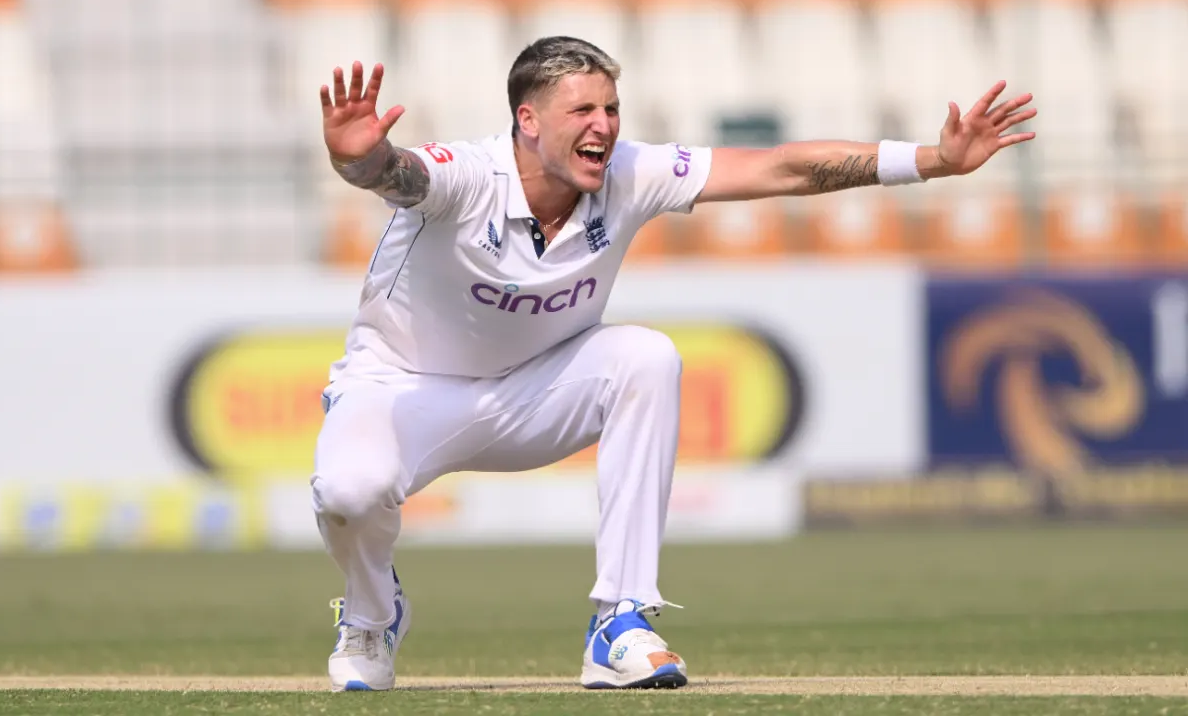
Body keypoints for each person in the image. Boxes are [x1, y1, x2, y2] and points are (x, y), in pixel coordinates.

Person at [311, 36, 1036, 692]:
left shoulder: (632, 171)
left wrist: (933, 160)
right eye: (582, 110)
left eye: (612, 107)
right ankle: (373, 618)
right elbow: (397, 174)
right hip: (401, 391)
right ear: (527, 121)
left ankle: (618, 621)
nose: (604, 125)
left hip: (536, 394)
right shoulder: (466, 175)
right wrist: (359, 158)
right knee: (349, 491)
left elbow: (780, 169)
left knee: (645, 357)